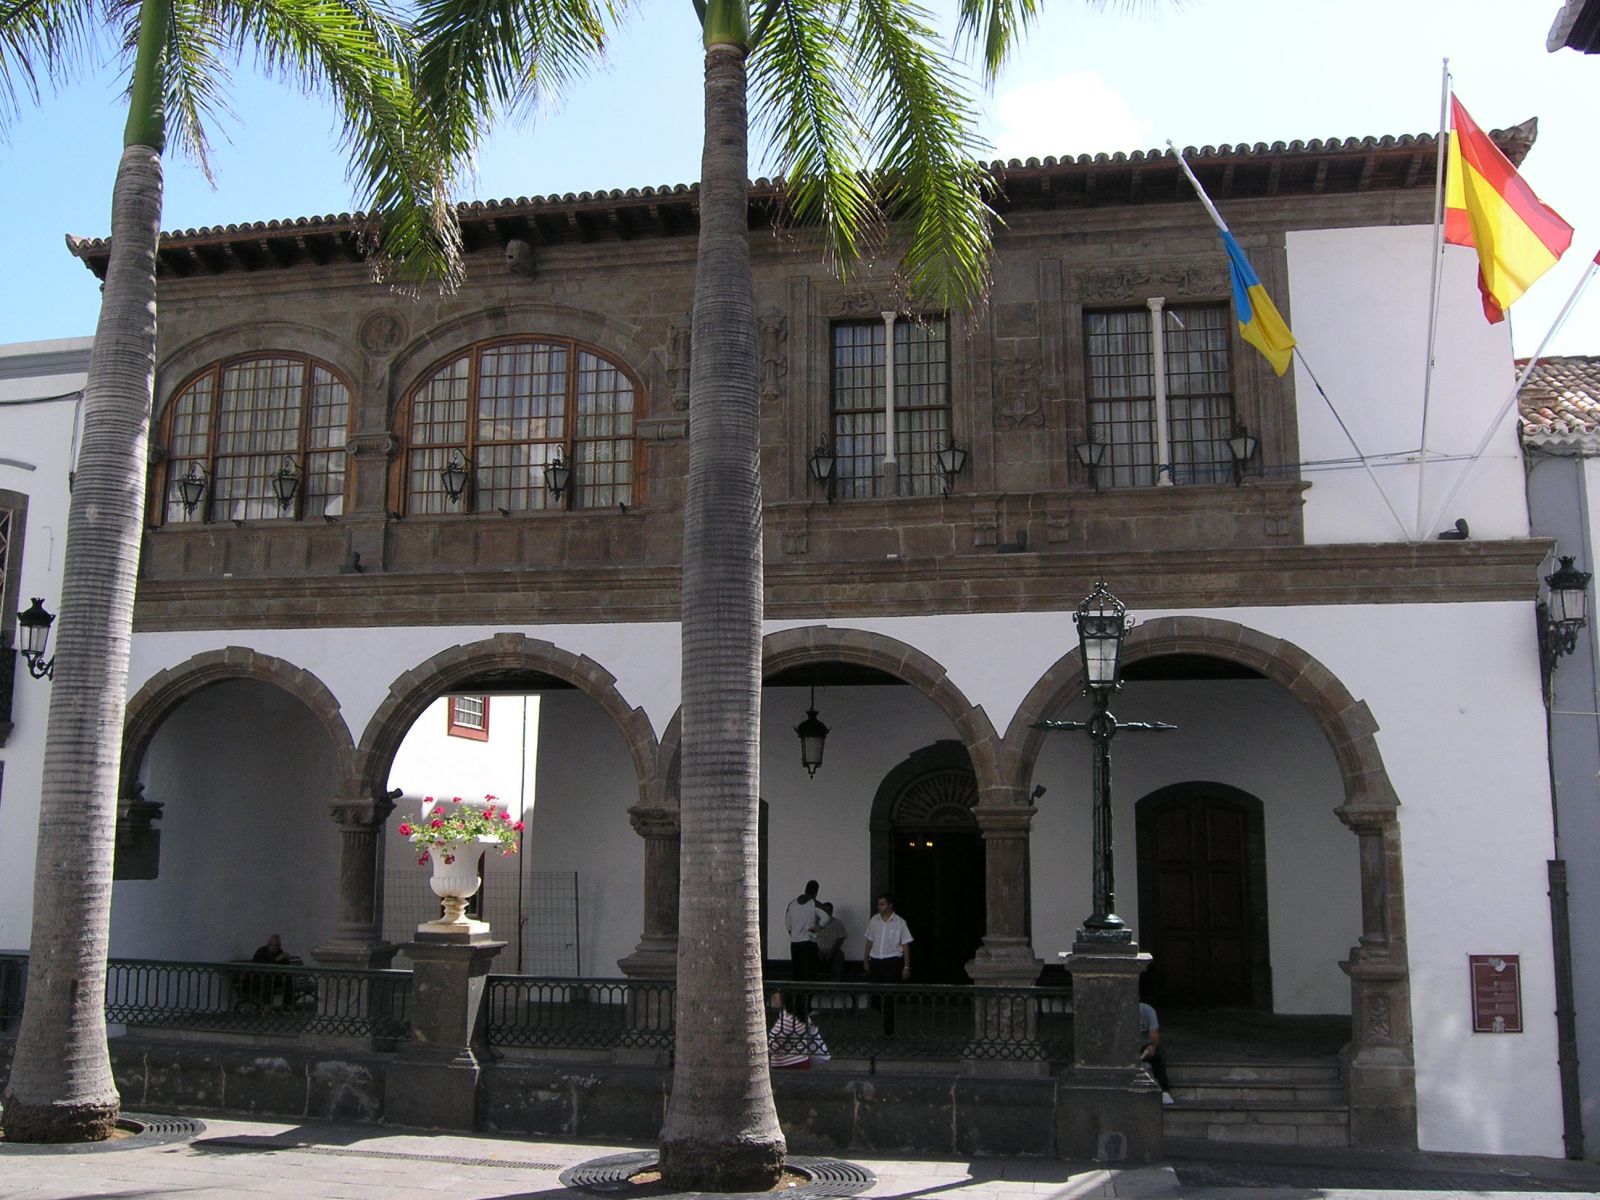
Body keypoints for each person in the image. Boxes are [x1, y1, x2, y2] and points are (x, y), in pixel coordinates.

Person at [863, 892, 912, 1035]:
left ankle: (888, 1031)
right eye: (879, 904)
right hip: (876, 961)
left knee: (889, 996)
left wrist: (906, 966)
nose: (880, 907)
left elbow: (905, 945)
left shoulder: (900, 923)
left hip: (892, 961)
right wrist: (866, 959)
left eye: (882, 904)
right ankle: (885, 1015)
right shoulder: (874, 920)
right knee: (874, 997)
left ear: (890, 905)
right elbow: (869, 941)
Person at [1139, 1001, 1175, 1105]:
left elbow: (1154, 1035)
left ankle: (1164, 1090)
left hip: (1145, 1046)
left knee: (1159, 1053)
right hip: (1127, 1046)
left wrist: (1153, 1046)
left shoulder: (1147, 1011)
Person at [785, 879, 822, 982]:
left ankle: (797, 996)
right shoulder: (813, 903)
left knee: (797, 971)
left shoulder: (792, 904)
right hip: (809, 941)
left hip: (795, 942)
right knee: (809, 972)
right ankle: (807, 997)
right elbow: (827, 917)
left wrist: (794, 934)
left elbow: (788, 924)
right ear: (816, 891)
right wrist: (818, 928)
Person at [767, 990, 812, 1070]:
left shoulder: (787, 1020)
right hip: (802, 1060)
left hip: (788, 1064)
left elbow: (774, 1045)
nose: (775, 996)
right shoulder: (803, 1017)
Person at [248, 933, 295, 1007]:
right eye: (273, 945)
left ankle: (287, 1005)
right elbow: (262, 967)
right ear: (268, 944)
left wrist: (287, 960)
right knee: (267, 980)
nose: (275, 948)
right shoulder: (261, 952)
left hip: (275, 977)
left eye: (277, 946)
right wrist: (276, 959)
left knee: (287, 979)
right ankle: (266, 1006)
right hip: (258, 978)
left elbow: (285, 966)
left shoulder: (279, 952)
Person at [814, 901, 847, 981]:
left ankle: (835, 985)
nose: (827, 913)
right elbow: (810, 938)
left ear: (832, 911)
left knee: (839, 956)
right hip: (818, 951)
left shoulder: (837, 923)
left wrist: (831, 952)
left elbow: (840, 939)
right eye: (825, 911)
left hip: (833, 950)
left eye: (829, 911)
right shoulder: (816, 923)